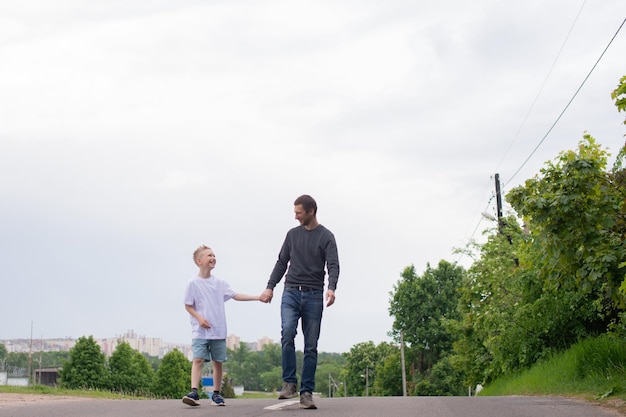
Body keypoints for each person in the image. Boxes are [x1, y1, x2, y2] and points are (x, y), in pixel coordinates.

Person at [260, 194, 340, 410]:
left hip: (314, 295)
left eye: (298, 213)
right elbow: (281, 262)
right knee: (287, 333)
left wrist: (331, 288)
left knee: (311, 346)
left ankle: (306, 393)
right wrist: (270, 286)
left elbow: (333, 265)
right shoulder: (292, 235)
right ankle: (289, 384)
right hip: (291, 292)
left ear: (311, 211)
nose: (295, 216)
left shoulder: (326, 237)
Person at [182, 245, 260, 407]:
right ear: (199, 261)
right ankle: (194, 392)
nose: (213, 258)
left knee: (218, 362)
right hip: (200, 331)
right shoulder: (193, 283)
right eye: (209, 255)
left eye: (214, 255)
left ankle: (216, 395)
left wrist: (257, 297)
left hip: (218, 331)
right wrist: (199, 318)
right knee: (197, 359)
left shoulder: (220, 283)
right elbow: (188, 305)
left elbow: (235, 295)